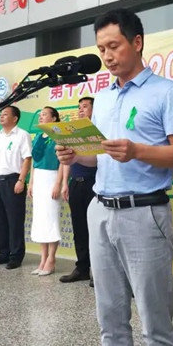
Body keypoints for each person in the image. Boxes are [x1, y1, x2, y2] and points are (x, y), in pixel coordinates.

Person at [56, 8, 173, 346]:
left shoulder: (167, 92)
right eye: (101, 49)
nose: (107, 56)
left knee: (154, 323)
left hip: (144, 213)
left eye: (114, 46)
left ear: (137, 42)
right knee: (110, 320)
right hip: (100, 210)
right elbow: (100, 156)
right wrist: (76, 156)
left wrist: (137, 151)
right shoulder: (102, 99)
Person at [0, 106, 32, 270]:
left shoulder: (22, 135)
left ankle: (16, 255)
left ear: (15, 118)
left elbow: (27, 159)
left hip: (14, 180)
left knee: (14, 220)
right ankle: (2, 252)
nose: (1, 116)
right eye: (1, 114)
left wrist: (21, 180)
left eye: (5, 114)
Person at [59, 97, 97, 284]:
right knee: (79, 228)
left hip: (94, 184)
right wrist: (65, 183)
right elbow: (67, 160)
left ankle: (97, 271)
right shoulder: (73, 132)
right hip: (75, 183)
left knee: (95, 230)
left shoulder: (97, 131)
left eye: (85, 107)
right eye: (79, 107)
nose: (81, 110)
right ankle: (82, 267)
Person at [29, 106, 64, 276]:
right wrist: (31, 183)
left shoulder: (59, 135)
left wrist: (58, 183)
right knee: (40, 219)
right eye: (40, 114)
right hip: (38, 179)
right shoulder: (38, 136)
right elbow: (33, 162)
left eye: (44, 114)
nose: (41, 117)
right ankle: (42, 258)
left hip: (52, 177)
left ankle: (51, 258)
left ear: (54, 118)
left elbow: (63, 162)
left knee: (51, 219)